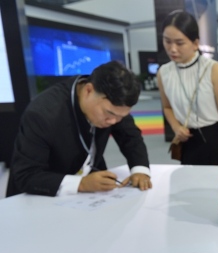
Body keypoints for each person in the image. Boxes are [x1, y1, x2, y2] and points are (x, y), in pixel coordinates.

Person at [7, 60, 152, 197]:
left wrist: (140, 170)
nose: (114, 121)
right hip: (38, 196)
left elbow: (130, 137)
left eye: (121, 116)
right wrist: (81, 184)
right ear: (88, 90)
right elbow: (26, 175)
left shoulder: (115, 105)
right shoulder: (42, 114)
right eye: (109, 113)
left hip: (87, 193)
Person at [158, 11, 218, 166]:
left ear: (195, 43)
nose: (172, 49)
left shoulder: (213, 69)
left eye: (179, 43)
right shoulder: (164, 73)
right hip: (188, 141)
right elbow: (167, 107)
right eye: (167, 41)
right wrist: (176, 127)